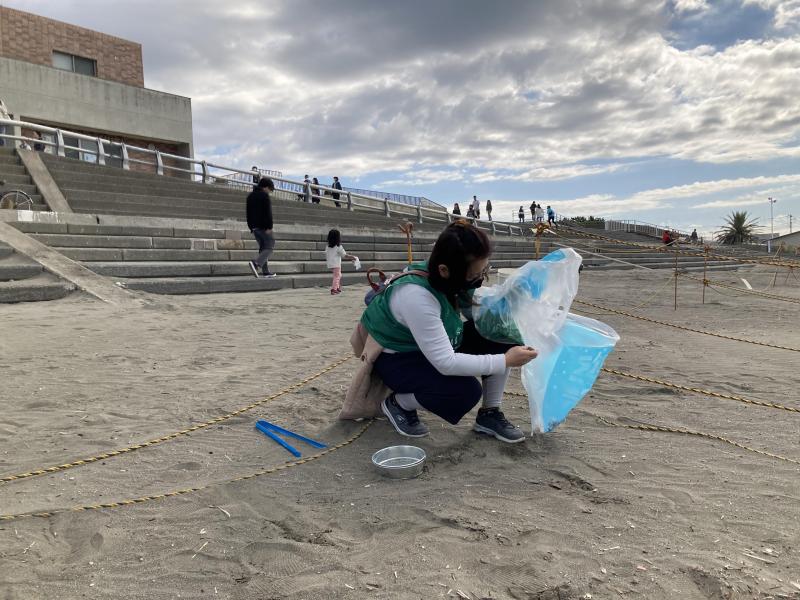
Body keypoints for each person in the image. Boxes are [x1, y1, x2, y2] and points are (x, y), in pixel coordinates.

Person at [362, 221, 538, 443]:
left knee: (501, 334)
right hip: (399, 359)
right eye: (474, 274)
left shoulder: (449, 279)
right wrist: (505, 360)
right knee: (464, 393)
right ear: (445, 270)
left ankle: (489, 414)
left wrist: (509, 306)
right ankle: (399, 403)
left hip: (433, 344)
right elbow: (446, 362)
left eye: (484, 270)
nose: (479, 278)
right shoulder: (416, 295)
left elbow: (478, 315)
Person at [246, 177, 277, 278]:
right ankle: (255, 263)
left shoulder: (250, 196)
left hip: (254, 227)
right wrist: (269, 226)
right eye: (270, 189)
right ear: (266, 187)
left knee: (263, 248)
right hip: (264, 227)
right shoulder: (264, 196)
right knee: (270, 246)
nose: (270, 192)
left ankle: (266, 271)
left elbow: (248, 213)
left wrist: (251, 227)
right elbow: (268, 213)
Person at [326, 229, 357, 295]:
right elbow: (344, 255)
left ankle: (337, 288)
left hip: (330, 263)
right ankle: (334, 289)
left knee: (338, 275)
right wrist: (353, 257)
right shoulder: (339, 247)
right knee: (337, 276)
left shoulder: (328, 246)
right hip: (336, 264)